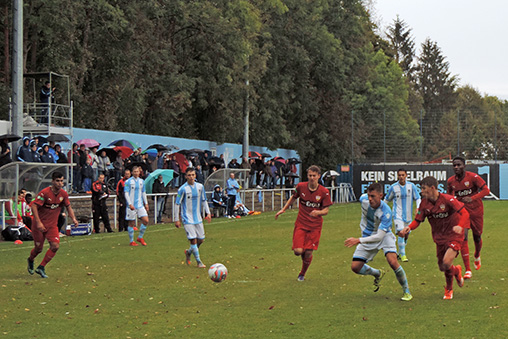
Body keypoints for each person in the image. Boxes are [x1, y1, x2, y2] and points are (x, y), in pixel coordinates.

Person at [400, 176, 468, 300]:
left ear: (432, 188)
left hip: (454, 235)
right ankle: (457, 271)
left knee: (446, 262)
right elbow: (417, 220)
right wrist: (409, 228)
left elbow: (465, 213)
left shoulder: (448, 199)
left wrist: (460, 225)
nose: (421, 191)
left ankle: (449, 289)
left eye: (423, 188)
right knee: (443, 267)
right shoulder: (424, 204)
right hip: (439, 238)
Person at [344, 182, 413, 301]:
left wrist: (358, 240)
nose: (370, 199)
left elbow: (379, 236)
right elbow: (364, 198)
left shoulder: (386, 212)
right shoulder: (363, 200)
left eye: (373, 196)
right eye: (369, 195)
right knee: (355, 267)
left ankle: (407, 291)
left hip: (384, 236)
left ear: (381, 196)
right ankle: (377, 273)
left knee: (392, 261)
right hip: (367, 235)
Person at [275, 165, 332, 281]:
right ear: (307, 176)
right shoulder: (301, 187)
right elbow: (293, 197)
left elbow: (326, 210)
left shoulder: (324, 192)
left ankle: (302, 273)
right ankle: (304, 258)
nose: (312, 178)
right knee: (298, 251)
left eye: (314, 176)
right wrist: (283, 209)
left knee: (308, 252)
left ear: (318, 176)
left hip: (315, 227)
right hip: (301, 224)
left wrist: (318, 212)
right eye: (310, 175)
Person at [27, 172, 79, 278]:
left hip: (52, 225)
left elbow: (68, 206)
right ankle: (31, 259)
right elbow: (34, 206)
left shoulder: (63, 194)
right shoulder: (44, 193)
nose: (60, 183)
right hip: (39, 225)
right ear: (53, 181)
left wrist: (73, 218)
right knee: (38, 248)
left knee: (55, 246)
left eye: (61, 181)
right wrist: (38, 222)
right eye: (57, 181)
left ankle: (41, 267)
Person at [447, 156, 490, 279]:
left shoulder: (473, 177)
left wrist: (472, 198)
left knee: (477, 237)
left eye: (459, 165)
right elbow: (449, 196)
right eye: (454, 165)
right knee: (463, 237)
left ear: (464, 166)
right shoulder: (451, 181)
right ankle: (468, 270)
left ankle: (477, 254)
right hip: (462, 212)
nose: (456, 167)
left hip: (476, 211)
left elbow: (486, 190)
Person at [175, 167, 211, 268]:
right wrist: (176, 219)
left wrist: (208, 213)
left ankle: (189, 252)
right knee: (193, 240)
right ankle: (199, 262)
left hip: (198, 217)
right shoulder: (182, 189)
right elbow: (177, 204)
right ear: (186, 176)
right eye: (189, 175)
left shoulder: (200, 187)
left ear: (195, 176)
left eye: (193, 175)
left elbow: (204, 200)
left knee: (201, 240)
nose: (191, 177)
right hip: (187, 218)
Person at [384, 168, 421, 262]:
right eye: (399, 175)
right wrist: (381, 210)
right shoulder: (393, 187)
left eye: (403, 175)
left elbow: (417, 198)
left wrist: (418, 208)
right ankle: (403, 255)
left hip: (408, 215)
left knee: (406, 234)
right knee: (401, 233)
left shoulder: (411, 186)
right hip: (397, 214)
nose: (401, 177)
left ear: (406, 176)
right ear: (397, 176)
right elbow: (387, 199)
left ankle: (401, 250)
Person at [124, 166, 149, 246]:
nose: (136, 173)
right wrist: (130, 203)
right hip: (131, 206)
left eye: (137, 171)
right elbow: (126, 193)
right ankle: (131, 241)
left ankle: (140, 237)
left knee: (146, 220)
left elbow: (143, 192)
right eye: (134, 171)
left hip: (140, 205)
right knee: (131, 223)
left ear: (139, 172)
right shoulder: (128, 182)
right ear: (132, 172)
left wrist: (146, 203)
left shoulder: (142, 181)